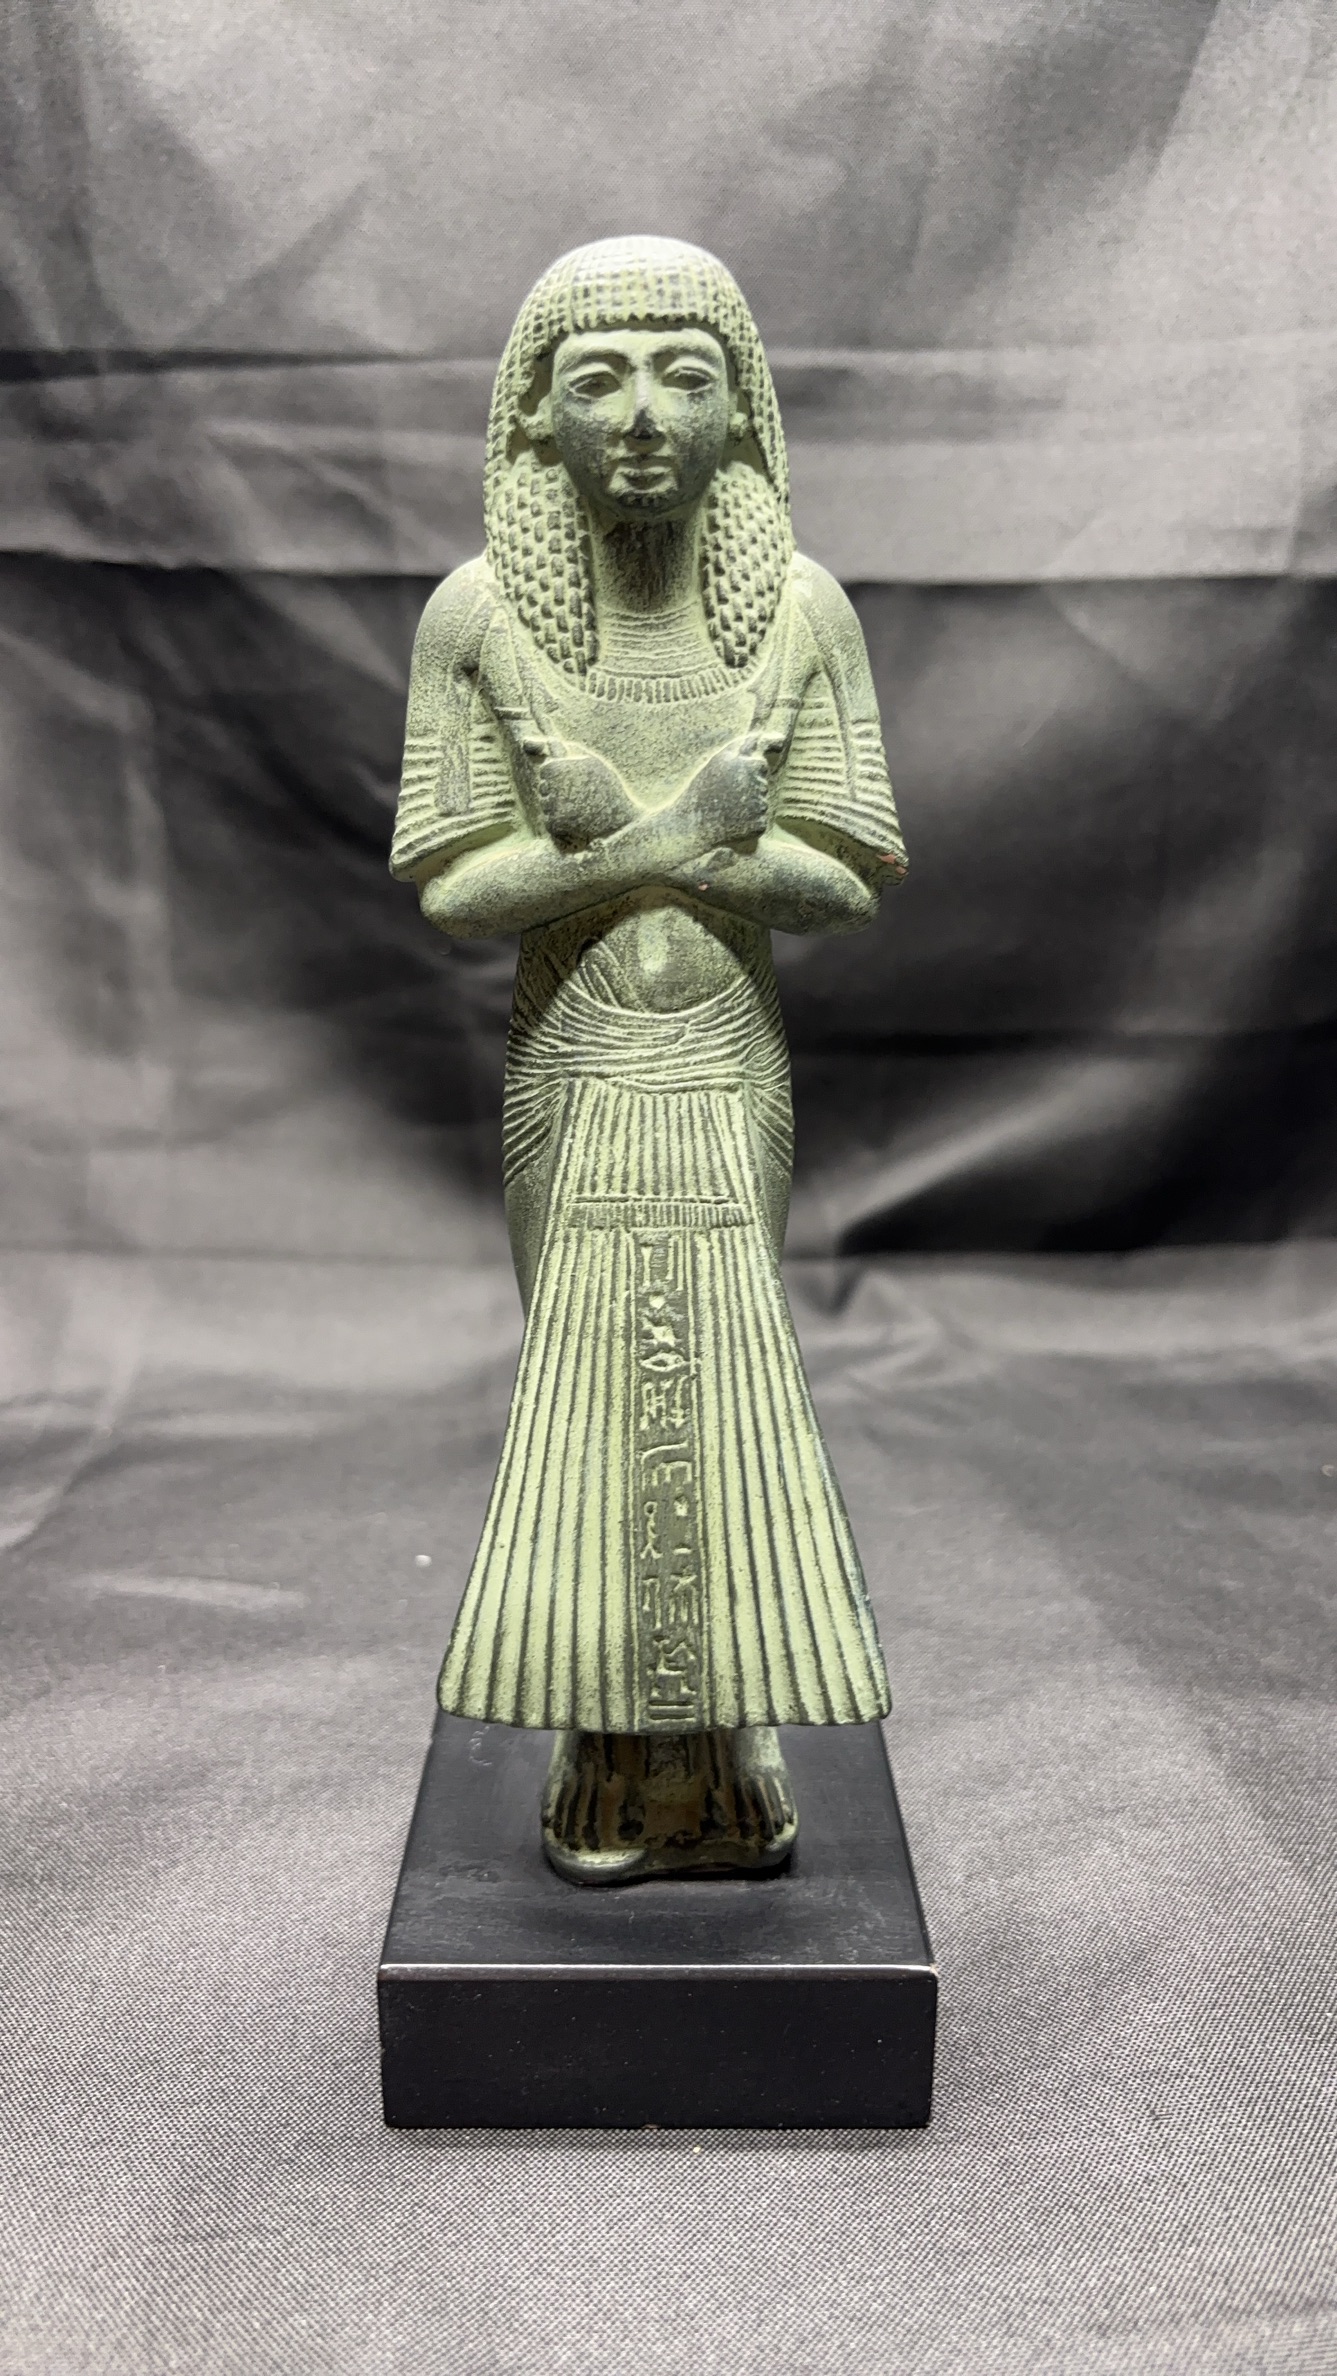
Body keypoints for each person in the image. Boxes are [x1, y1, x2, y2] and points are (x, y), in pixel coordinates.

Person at [391, 237, 907, 1881]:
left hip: (724, 1059)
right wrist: (681, 831)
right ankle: (609, 1740)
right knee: (591, 1392)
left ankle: (723, 1733)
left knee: (725, 1375)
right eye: (595, 378)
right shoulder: (479, 616)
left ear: (742, 411)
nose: (638, 417)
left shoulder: (799, 613)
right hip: (571, 1061)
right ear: (529, 416)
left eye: (684, 376)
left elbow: (840, 881)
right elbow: (457, 892)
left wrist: (640, 838)